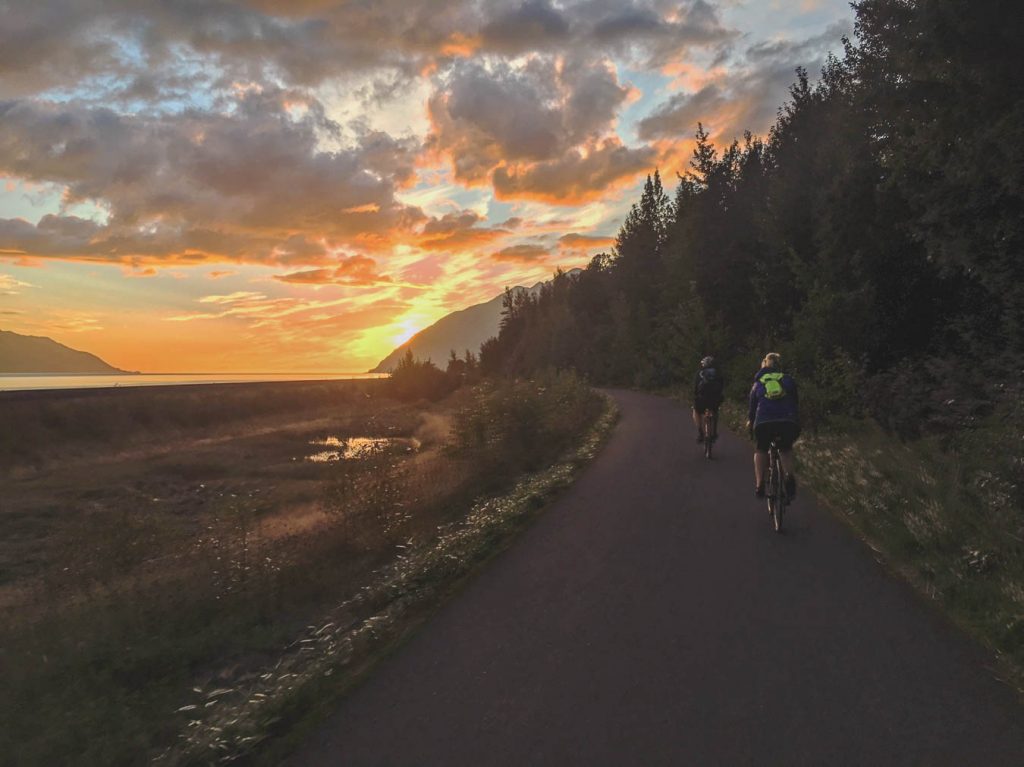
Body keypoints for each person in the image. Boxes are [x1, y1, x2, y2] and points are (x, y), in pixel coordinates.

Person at [745, 352, 800, 499]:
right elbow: (795, 401)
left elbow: (752, 409)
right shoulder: (788, 380)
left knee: (761, 449)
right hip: (787, 421)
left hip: (764, 422)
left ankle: (760, 484)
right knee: (785, 448)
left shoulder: (757, 384)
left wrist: (750, 423)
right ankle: (789, 476)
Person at [692, 356, 725, 443]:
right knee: (715, 411)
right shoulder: (718, 374)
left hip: (702, 400)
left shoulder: (699, 373)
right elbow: (721, 387)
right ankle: (714, 432)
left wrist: (695, 395)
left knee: (696, 411)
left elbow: (695, 388)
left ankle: (700, 433)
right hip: (714, 400)